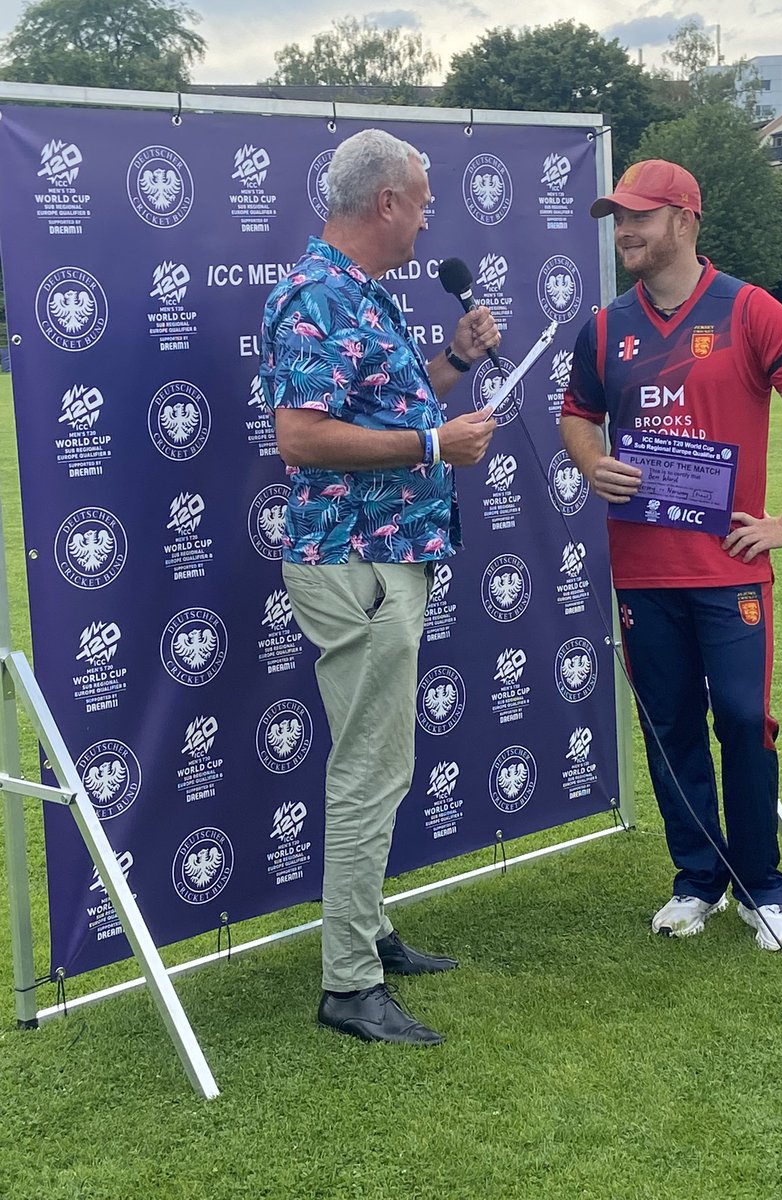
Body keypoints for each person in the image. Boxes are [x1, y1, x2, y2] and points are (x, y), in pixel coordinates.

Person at [561, 159, 782, 951]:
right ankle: (698, 880)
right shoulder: (607, 325)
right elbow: (576, 414)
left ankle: (763, 888)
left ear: (684, 220)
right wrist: (591, 461)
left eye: (640, 218)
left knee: (746, 720)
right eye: (617, 219)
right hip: (642, 572)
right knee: (671, 727)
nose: (625, 232)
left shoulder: (749, 309)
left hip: (730, 569)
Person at [259, 129, 498, 1045]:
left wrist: (457, 366)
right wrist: (437, 444)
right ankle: (349, 985)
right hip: (355, 562)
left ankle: (369, 932)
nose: (430, 216)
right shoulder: (315, 293)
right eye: (424, 199)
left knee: (379, 762)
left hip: (383, 554)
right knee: (369, 770)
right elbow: (302, 438)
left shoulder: (360, 295)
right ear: (387, 201)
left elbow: (392, 404)